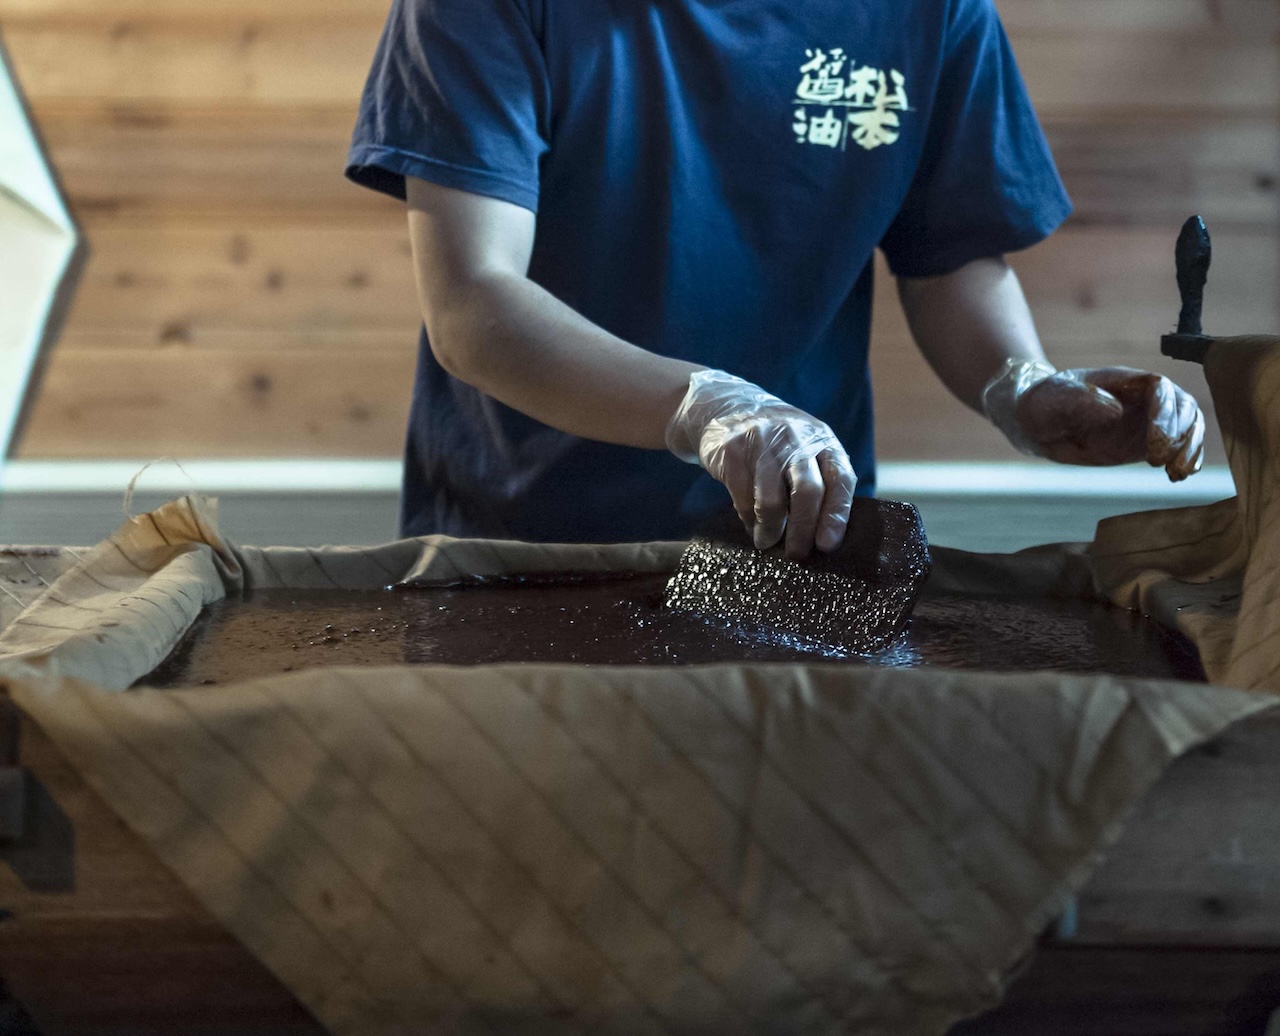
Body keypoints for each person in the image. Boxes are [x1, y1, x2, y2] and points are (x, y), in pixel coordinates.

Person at [346, 0, 1205, 559]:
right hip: (519, 547)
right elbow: (472, 304)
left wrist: (1022, 386)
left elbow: (950, 262)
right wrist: (711, 407)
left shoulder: (933, 15)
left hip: (797, 545)